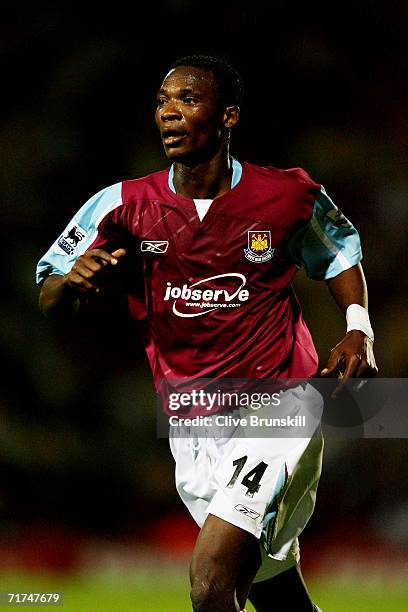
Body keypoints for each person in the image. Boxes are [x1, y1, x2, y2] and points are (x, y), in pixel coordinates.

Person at [37, 55, 377, 611]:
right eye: (162, 102)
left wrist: (357, 328)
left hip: (280, 405)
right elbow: (49, 291)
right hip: (192, 419)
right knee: (276, 593)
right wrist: (71, 283)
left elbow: (340, 250)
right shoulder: (122, 204)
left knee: (211, 580)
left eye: (188, 100)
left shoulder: (285, 195)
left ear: (229, 117)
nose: (169, 114)